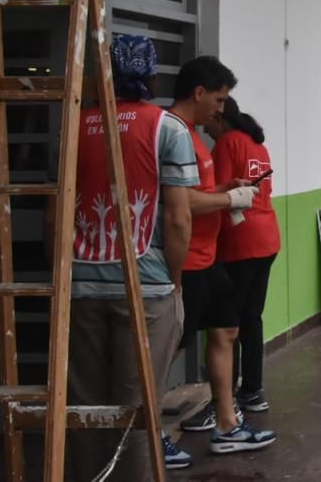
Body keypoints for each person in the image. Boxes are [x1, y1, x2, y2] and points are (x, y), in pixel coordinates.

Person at [61, 34, 198, 478]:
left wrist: (69, 274)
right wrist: (175, 281)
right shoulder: (167, 128)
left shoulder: (74, 124)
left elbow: (53, 218)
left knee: (84, 408)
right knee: (137, 410)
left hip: (80, 286)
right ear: (151, 75)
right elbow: (178, 220)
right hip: (146, 287)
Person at [172, 57, 276, 454]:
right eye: (217, 100)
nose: (218, 110)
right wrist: (228, 195)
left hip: (220, 252)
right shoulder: (179, 134)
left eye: (222, 103)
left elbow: (204, 194)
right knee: (183, 341)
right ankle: (154, 429)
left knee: (229, 327)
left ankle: (229, 414)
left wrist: (227, 192)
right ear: (199, 94)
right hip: (207, 255)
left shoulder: (211, 141)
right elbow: (181, 203)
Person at [211, 97, 280, 414]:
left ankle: (227, 397)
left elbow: (219, 193)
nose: (206, 130)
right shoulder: (257, 145)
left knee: (228, 323)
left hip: (240, 241)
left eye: (209, 124)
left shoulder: (227, 143)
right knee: (251, 317)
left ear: (219, 118)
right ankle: (253, 389)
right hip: (267, 238)